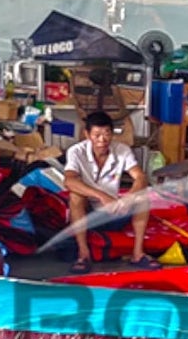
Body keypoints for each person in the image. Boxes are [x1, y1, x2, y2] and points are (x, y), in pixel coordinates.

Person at [62, 111, 153, 270]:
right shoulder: (76, 151)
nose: (102, 140)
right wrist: (101, 196)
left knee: (142, 198)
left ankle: (138, 254)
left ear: (112, 134)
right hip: (88, 215)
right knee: (75, 196)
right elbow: (69, 181)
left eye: (106, 134)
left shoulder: (122, 150)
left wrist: (129, 198)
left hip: (114, 211)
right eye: (96, 135)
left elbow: (140, 177)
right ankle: (83, 255)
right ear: (87, 134)